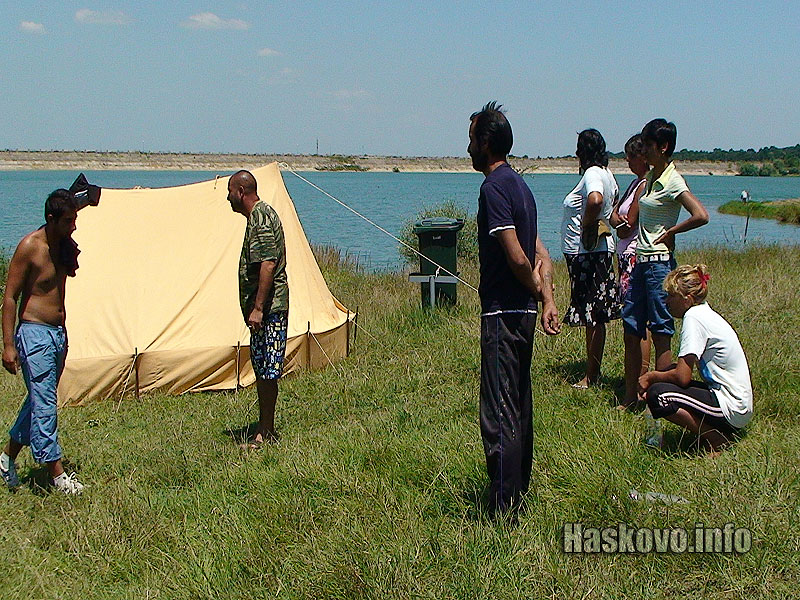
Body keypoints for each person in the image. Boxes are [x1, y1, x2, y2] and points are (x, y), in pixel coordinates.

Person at [468, 101, 560, 516]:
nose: (467, 147)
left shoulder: (494, 188)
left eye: (471, 139)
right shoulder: (521, 187)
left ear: (486, 143)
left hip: (503, 313)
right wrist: (546, 299)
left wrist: (536, 290)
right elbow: (542, 252)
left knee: (500, 407)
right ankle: (518, 490)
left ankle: (504, 507)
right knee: (519, 402)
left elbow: (520, 257)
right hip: (521, 312)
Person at [622, 119, 709, 413]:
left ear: (663, 147)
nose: (643, 151)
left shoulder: (673, 180)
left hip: (659, 264)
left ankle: (656, 400)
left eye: (648, 146)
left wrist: (672, 232)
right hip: (640, 262)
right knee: (631, 327)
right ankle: (630, 396)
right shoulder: (649, 178)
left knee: (661, 332)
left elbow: (700, 215)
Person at [1, 190, 86, 493]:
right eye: (68, 221)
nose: (73, 225)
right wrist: (8, 345)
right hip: (34, 333)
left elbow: (71, 271)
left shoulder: (62, 244)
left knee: (38, 400)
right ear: (50, 219)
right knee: (46, 405)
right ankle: (57, 476)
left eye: (75, 219)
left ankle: (6, 457)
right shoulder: (30, 248)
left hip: (58, 334)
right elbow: (10, 298)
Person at [638, 265, 752, 454]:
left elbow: (682, 377)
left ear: (686, 299)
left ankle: (717, 439)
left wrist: (650, 377)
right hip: (738, 404)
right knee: (665, 378)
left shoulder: (694, 318)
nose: (667, 301)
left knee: (659, 395)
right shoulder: (704, 313)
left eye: (671, 296)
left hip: (731, 406)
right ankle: (718, 432)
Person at [227, 170, 289, 449]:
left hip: (270, 310)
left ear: (241, 192)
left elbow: (268, 264)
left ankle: (266, 431)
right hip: (264, 310)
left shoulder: (262, 218)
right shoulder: (257, 217)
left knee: (268, 370)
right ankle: (265, 428)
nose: (227, 198)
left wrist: (259, 308)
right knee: (263, 368)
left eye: (229, 191)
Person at [561, 129, 619, 389]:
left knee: (593, 314)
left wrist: (586, 225)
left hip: (588, 252)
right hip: (598, 250)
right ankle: (592, 370)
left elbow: (595, 201)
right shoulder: (608, 174)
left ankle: (591, 375)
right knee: (595, 313)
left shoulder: (593, 173)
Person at [610, 134, 651, 405]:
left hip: (634, 257)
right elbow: (614, 215)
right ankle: (632, 385)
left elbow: (628, 223)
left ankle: (639, 386)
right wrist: (617, 219)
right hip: (624, 256)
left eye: (631, 156)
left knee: (638, 324)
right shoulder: (634, 184)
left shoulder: (645, 185)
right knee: (630, 322)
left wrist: (619, 220)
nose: (627, 160)